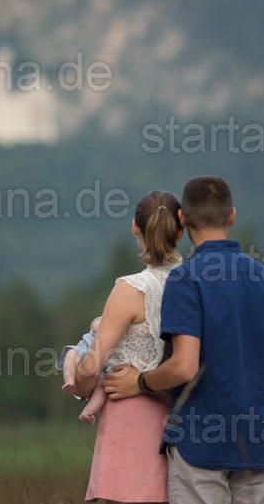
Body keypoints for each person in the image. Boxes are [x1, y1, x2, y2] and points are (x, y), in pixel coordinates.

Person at [104, 176, 264, 504]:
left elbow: (184, 367)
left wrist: (141, 381)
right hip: (255, 445)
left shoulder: (186, 280)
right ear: (231, 216)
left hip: (199, 445)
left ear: (182, 219)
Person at [75, 189, 184, 503]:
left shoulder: (130, 289)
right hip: (182, 424)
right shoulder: (195, 283)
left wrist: (79, 378)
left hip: (129, 422)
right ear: (180, 229)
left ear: (135, 227)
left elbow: (92, 366)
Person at [57, 316, 107, 423]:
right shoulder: (105, 319)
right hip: (87, 349)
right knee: (71, 353)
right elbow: (95, 325)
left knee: (104, 386)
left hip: (106, 364)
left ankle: (88, 411)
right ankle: (70, 381)